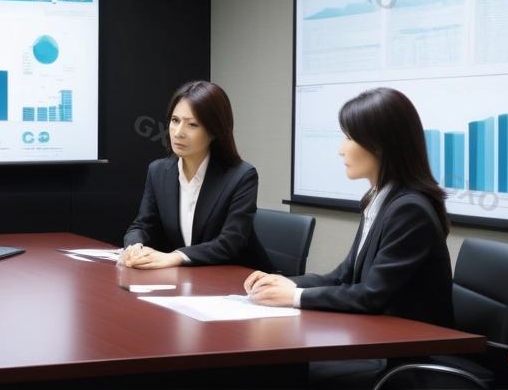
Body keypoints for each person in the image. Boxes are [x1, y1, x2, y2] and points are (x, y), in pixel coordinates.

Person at [244, 87, 453, 388]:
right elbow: (344, 276)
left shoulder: (409, 209)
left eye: (349, 138)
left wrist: (294, 298)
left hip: (407, 354)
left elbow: (370, 295)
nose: (342, 149)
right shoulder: (379, 199)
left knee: (286, 368)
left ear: (380, 145)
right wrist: (288, 283)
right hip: (379, 338)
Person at [120, 81, 274, 271]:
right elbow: (142, 225)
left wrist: (175, 257)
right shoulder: (158, 171)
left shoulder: (241, 176)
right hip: (190, 278)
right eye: (175, 121)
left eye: (192, 124)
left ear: (214, 131)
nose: (178, 133)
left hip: (239, 280)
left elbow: (231, 242)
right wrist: (134, 247)